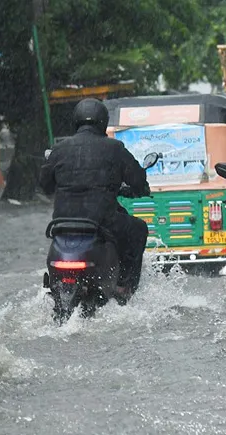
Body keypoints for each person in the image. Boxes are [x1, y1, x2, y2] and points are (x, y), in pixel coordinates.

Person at [39, 98, 150, 302]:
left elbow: (45, 185)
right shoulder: (115, 148)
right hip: (102, 221)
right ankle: (125, 287)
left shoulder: (59, 149)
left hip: (62, 224)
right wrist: (140, 189)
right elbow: (137, 179)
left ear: (76, 121)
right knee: (139, 229)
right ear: (103, 123)